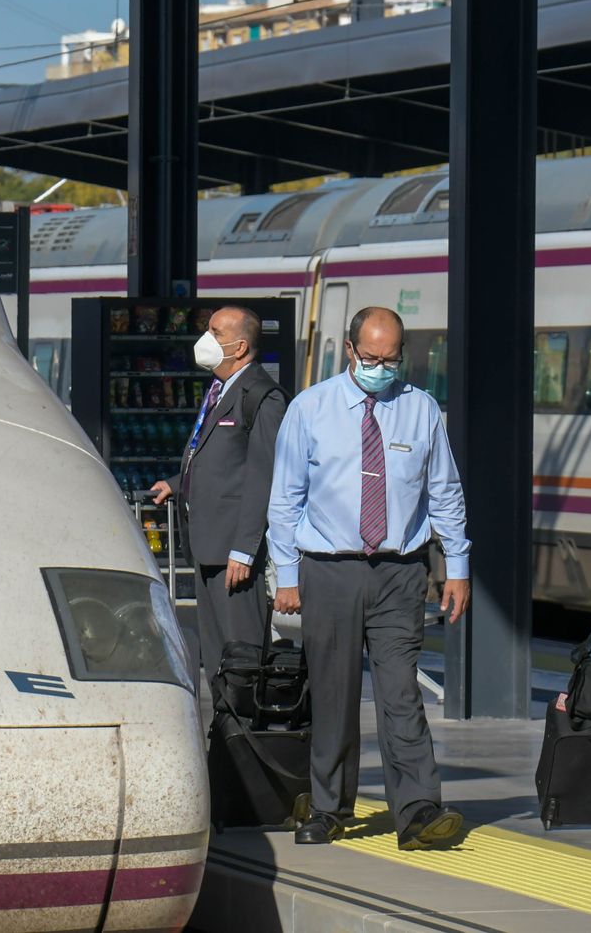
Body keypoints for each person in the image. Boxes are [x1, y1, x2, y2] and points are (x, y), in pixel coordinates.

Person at [266, 307, 471, 851]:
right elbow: (284, 499)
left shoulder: (421, 409)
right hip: (328, 570)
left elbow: (445, 493)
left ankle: (420, 810)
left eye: (392, 359)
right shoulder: (310, 409)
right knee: (333, 693)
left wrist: (457, 567)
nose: (382, 368)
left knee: (401, 693)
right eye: (372, 358)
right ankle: (330, 807)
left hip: (401, 572)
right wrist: (286, 575)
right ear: (350, 351)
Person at [151, 306, 287, 692]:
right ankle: (223, 731)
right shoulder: (220, 388)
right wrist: (177, 484)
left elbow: (263, 476)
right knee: (214, 655)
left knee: (240, 654)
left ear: (241, 346)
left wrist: (244, 549)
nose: (205, 340)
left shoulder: (262, 396)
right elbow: (217, 457)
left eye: (216, 332)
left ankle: (244, 734)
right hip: (208, 544)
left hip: (234, 553)